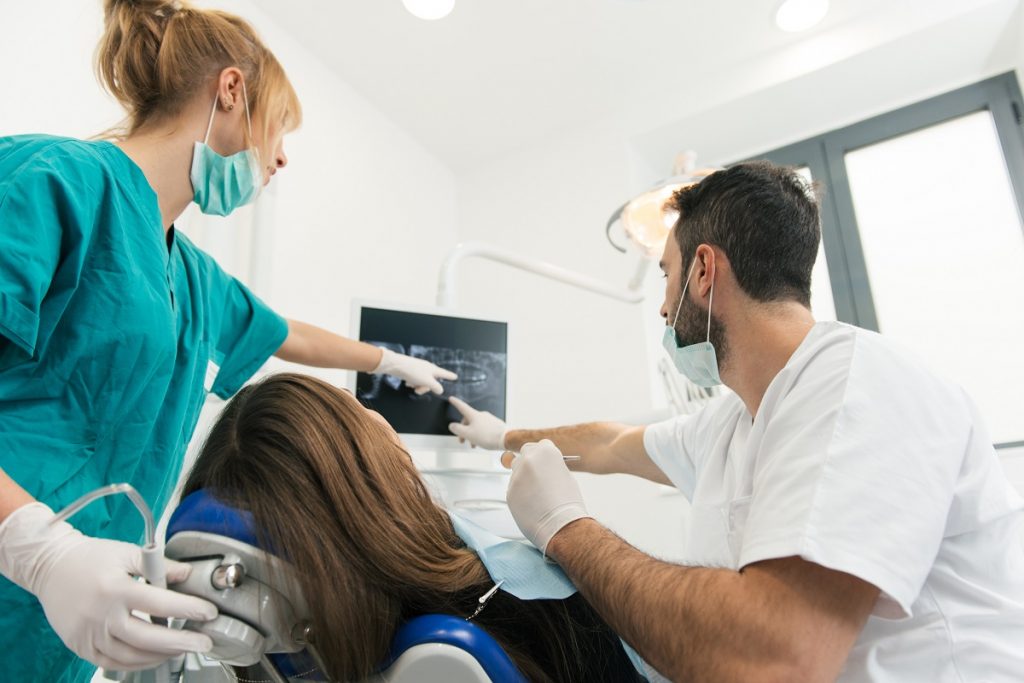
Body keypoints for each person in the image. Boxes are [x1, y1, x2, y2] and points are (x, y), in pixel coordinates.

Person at [0, 2, 455, 681]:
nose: (282, 156)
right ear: (231, 91)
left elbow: (289, 333)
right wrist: (36, 546)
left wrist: (390, 361)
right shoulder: (53, 181)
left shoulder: (192, 277)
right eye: (278, 129)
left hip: (61, 631)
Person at [449, 161, 1024, 681]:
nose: (662, 305)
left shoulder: (856, 387)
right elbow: (609, 443)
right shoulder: (732, 420)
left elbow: (774, 658)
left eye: (666, 275)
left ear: (704, 270)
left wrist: (565, 528)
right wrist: (501, 434)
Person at [179, 372, 647, 683]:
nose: (379, 416)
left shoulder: (288, 658)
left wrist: (503, 437)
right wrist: (569, 528)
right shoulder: (534, 608)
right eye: (356, 408)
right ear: (367, 476)